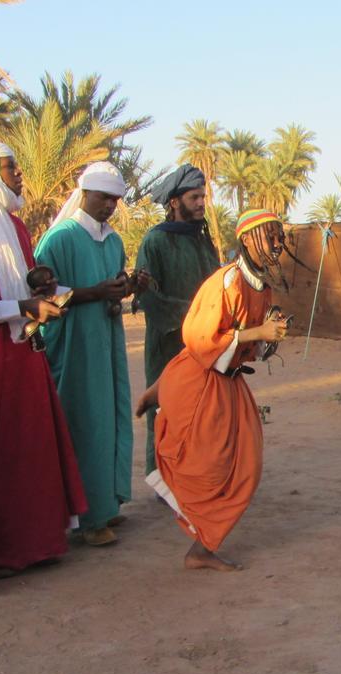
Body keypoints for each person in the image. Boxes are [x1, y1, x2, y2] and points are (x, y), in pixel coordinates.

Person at [0, 140, 87, 575]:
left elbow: (20, 283)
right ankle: (2, 550)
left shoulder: (15, 227)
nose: (19, 173)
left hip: (25, 353)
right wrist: (22, 308)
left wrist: (39, 286)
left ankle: (37, 542)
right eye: (10, 166)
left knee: (32, 448)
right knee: (1, 452)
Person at [136, 209, 291, 571]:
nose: (276, 243)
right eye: (270, 236)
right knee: (205, 467)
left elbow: (248, 346)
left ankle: (202, 546)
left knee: (246, 466)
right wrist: (258, 333)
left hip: (227, 382)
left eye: (278, 236)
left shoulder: (261, 288)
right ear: (248, 238)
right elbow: (199, 340)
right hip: (200, 382)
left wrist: (270, 339)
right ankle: (201, 547)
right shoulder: (226, 281)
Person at [35, 162, 148, 546]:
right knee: (84, 423)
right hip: (74, 345)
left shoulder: (113, 241)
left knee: (112, 418)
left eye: (115, 200)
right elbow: (44, 295)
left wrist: (123, 291)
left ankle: (106, 504)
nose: (110, 206)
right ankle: (86, 518)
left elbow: (112, 289)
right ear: (85, 194)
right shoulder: (59, 238)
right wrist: (95, 293)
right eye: (104, 198)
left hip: (108, 339)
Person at [134, 163, 220, 476]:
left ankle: (194, 475)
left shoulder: (202, 239)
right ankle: (163, 476)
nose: (201, 203)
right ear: (175, 202)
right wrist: (192, 319)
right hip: (168, 342)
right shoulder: (155, 241)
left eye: (203, 197)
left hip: (205, 343)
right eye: (194, 197)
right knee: (166, 406)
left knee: (203, 408)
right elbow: (148, 295)